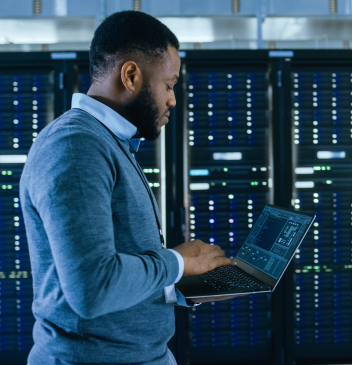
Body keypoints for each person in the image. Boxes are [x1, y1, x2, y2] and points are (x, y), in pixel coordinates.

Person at [20, 10, 236, 365]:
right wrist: (179, 262)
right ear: (131, 74)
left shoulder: (109, 143)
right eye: (168, 85)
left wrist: (188, 285)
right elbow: (92, 288)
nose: (173, 100)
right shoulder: (76, 147)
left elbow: (123, 266)